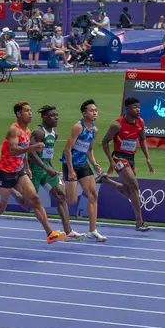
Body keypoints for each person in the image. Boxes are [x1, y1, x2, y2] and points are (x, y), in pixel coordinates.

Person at [0, 101, 66, 244]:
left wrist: (27, 168)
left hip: (19, 172)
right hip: (4, 174)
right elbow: (13, 150)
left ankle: (50, 233)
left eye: (30, 111)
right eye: (27, 111)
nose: (30, 114)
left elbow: (22, 155)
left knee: (34, 199)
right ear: (18, 114)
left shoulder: (28, 131)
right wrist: (33, 148)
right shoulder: (14, 130)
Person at [28, 105, 86, 241]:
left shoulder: (54, 134)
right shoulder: (38, 132)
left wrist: (52, 168)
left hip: (46, 169)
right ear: (44, 118)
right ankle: (11, 187)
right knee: (26, 203)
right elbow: (31, 153)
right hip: (35, 170)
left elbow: (47, 155)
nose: (56, 118)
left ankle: (68, 231)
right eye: (53, 116)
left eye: (57, 115)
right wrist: (45, 167)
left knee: (61, 195)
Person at [100, 97, 154, 232]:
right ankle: (139, 222)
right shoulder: (117, 125)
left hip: (131, 158)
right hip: (119, 157)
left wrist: (148, 158)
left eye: (139, 107)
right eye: (135, 107)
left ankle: (105, 180)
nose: (138, 110)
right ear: (127, 109)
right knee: (134, 185)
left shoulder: (140, 122)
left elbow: (142, 140)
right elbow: (105, 142)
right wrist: (111, 161)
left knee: (128, 190)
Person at [62, 99, 107, 242]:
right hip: (71, 164)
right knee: (72, 199)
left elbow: (90, 149)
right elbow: (68, 149)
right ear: (84, 113)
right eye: (91, 110)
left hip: (83, 164)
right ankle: (59, 187)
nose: (95, 113)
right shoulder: (78, 127)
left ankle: (93, 230)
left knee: (93, 194)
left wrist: (94, 163)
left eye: (96, 110)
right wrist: (70, 169)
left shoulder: (94, 130)